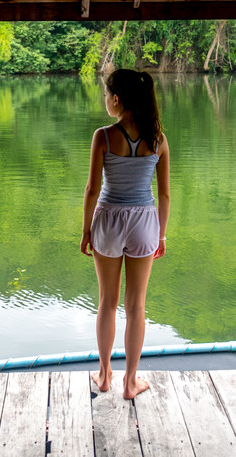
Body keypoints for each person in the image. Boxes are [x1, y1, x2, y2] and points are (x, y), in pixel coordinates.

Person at [80, 69, 170, 400]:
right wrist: (160, 235)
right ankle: (130, 383)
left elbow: (92, 189)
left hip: (108, 220)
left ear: (116, 100)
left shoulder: (103, 136)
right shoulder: (158, 140)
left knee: (107, 302)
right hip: (145, 221)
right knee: (137, 306)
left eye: (106, 96)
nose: (105, 101)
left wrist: (86, 230)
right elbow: (164, 195)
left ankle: (104, 376)